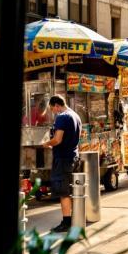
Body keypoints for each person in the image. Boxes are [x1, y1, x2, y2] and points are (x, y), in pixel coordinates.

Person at [42, 95, 81, 233]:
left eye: (53, 109)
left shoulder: (62, 117)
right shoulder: (75, 115)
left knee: (63, 192)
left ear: (57, 105)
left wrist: (46, 143)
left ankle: (66, 222)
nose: (54, 112)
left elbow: (57, 139)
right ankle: (75, 218)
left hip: (63, 159)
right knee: (71, 190)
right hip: (73, 157)